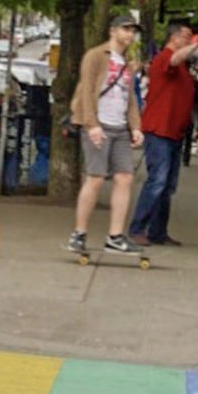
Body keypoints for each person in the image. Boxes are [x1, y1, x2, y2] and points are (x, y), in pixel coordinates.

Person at [66, 15, 145, 256]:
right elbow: (87, 90)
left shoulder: (128, 62)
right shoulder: (96, 56)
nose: (130, 34)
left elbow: (129, 97)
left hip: (119, 126)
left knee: (124, 178)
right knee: (96, 178)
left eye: (133, 30)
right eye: (125, 29)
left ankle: (115, 235)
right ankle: (78, 233)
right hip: (99, 124)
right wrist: (91, 124)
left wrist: (136, 126)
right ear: (112, 31)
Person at [129, 21, 198, 247]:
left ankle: (157, 230)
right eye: (186, 37)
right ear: (174, 38)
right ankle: (137, 228)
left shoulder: (180, 66)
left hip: (173, 132)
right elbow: (174, 59)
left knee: (166, 185)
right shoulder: (165, 58)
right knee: (158, 181)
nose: (190, 40)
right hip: (160, 130)